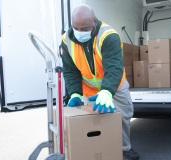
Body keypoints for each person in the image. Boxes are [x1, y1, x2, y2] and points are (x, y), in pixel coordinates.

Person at [60, 4, 140, 160]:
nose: (79, 33)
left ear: (94, 21)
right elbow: (70, 70)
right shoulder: (66, 41)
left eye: (84, 29)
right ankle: (95, 149)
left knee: (122, 117)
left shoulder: (108, 35)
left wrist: (107, 91)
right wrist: (75, 92)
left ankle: (125, 149)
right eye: (76, 28)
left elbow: (114, 68)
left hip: (115, 85)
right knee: (91, 121)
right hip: (88, 89)